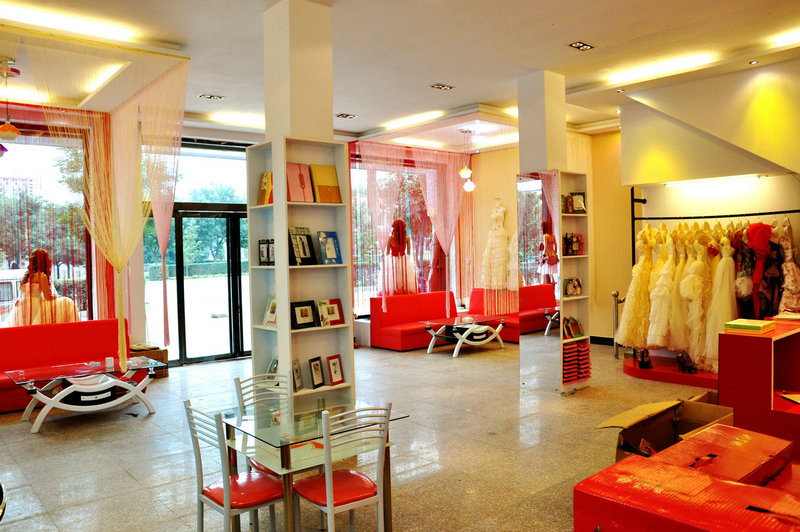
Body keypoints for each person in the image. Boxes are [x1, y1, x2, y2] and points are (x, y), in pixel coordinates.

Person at [3, 249, 79, 327]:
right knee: (68, 302)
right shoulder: (42, 276)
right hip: (36, 306)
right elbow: (47, 296)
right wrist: (58, 296)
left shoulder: (28, 276)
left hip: (23, 306)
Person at [382, 219, 419, 295]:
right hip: (404, 261)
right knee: (404, 279)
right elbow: (408, 253)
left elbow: (387, 253)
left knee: (394, 279)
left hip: (393, 261)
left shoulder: (391, 238)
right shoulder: (407, 238)